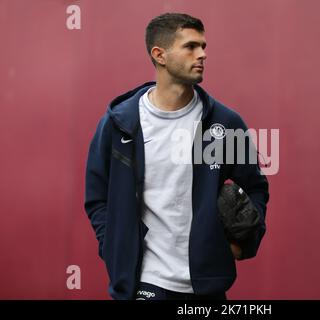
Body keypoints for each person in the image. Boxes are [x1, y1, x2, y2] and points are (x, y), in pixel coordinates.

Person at [84, 12, 269, 300]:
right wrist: (114, 246)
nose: (202, 54)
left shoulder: (223, 124)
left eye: (204, 46)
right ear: (160, 55)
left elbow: (256, 187)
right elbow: (97, 195)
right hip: (146, 281)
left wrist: (243, 242)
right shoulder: (121, 124)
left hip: (207, 285)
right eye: (191, 46)